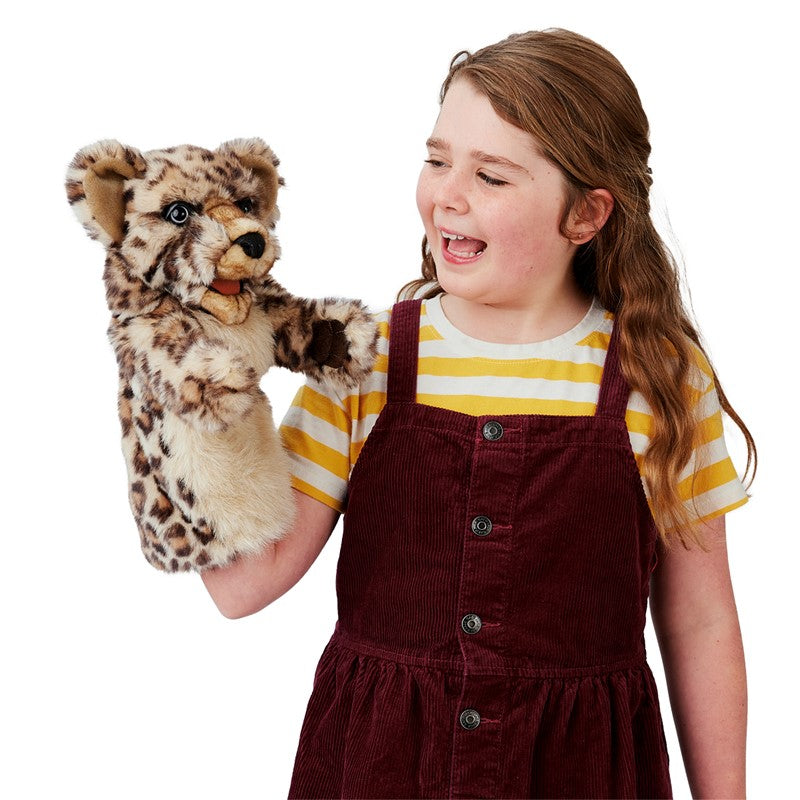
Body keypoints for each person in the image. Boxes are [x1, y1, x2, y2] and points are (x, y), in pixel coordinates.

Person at [202, 28, 754, 799]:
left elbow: (700, 621)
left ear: (586, 214)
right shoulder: (363, 363)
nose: (448, 195)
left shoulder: (659, 378)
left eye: (490, 175)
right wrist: (183, 405)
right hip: (381, 773)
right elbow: (242, 587)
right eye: (437, 160)